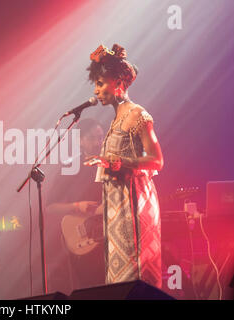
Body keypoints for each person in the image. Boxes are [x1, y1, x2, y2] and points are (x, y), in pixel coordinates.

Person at [84, 43, 164, 288]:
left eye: (101, 83)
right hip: (117, 209)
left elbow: (157, 160)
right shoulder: (116, 118)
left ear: (118, 82)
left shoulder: (138, 115)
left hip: (135, 206)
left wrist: (117, 162)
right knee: (118, 283)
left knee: (135, 280)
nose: (97, 91)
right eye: (95, 85)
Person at [45, 118, 105, 292]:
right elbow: (50, 207)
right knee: (90, 291)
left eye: (100, 137)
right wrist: (78, 206)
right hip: (84, 239)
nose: (97, 142)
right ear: (80, 140)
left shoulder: (109, 164)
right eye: (92, 138)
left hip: (108, 238)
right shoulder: (70, 167)